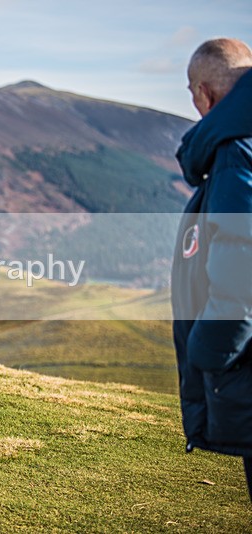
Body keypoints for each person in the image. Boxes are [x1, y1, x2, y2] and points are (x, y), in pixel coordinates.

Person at [172, 38, 252, 500]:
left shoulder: (237, 151)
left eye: (189, 92)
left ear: (205, 93)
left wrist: (205, 350)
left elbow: (242, 272)